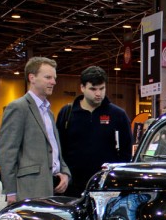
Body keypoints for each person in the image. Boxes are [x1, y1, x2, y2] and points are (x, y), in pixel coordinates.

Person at [0, 57, 70, 203]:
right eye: (48, 77)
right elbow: (7, 152)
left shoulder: (49, 112)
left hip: (53, 187)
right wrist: (10, 192)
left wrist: (64, 172)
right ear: (32, 78)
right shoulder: (18, 108)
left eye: (54, 78)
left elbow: (55, 149)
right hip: (28, 189)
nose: (53, 82)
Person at [56, 66, 132, 197]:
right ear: (82, 88)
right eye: (93, 89)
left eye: (102, 89)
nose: (98, 93)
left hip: (105, 187)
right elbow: (58, 148)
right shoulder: (67, 113)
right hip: (71, 187)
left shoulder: (118, 115)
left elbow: (126, 152)